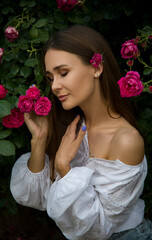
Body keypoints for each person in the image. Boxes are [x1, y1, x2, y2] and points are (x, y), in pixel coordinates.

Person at [10, 24, 152, 240]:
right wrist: (39, 140)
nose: (55, 86)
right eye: (50, 78)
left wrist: (64, 168)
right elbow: (35, 199)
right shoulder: (71, 128)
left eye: (63, 73)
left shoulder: (126, 141)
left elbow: (98, 229)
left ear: (96, 68)